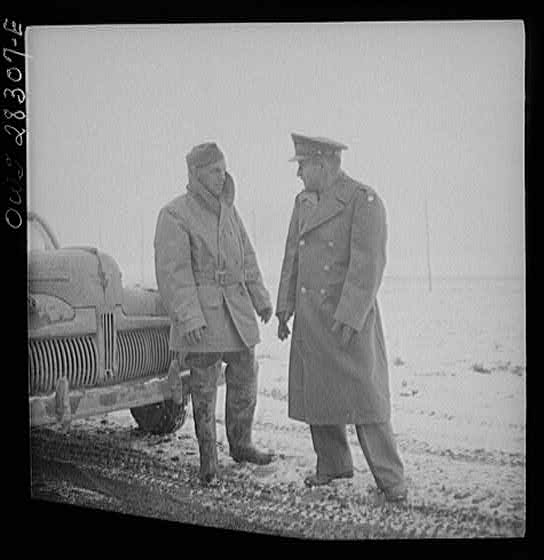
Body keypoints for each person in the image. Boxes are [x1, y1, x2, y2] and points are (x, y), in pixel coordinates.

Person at [275, 133, 407, 502]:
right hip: (311, 319)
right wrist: (285, 308)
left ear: (323, 163)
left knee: (365, 398)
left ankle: (392, 481)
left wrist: (350, 315)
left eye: (302, 165)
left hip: (348, 319)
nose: (298, 173)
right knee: (319, 394)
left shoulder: (363, 200)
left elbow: (369, 265)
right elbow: (292, 258)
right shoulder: (302, 203)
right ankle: (332, 463)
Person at [155, 142, 274, 485]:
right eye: (214, 171)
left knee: (245, 373)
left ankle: (242, 444)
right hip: (203, 317)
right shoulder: (175, 214)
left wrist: (261, 298)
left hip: (236, 311)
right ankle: (209, 459)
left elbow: (247, 257)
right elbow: (174, 274)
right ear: (195, 174)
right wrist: (189, 318)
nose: (223, 177)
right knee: (204, 385)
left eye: (224, 169)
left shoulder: (229, 211)